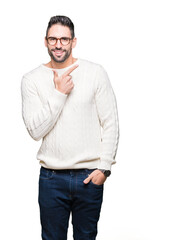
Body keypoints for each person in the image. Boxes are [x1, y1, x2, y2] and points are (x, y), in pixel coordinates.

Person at [21, 15, 119, 240]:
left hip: (89, 177)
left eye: (64, 39)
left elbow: (110, 122)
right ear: (45, 41)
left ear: (73, 42)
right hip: (51, 179)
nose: (58, 44)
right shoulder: (31, 79)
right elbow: (35, 131)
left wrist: (104, 168)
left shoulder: (95, 72)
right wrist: (58, 94)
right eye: (53, 39)